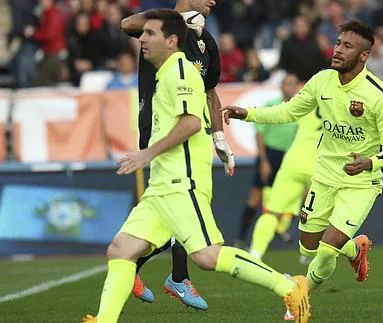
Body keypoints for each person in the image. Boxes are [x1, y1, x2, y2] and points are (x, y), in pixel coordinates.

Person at [82, 9, 310, 323]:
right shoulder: (164, 72)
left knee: (206, 256)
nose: (143, 40)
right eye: (143, 34)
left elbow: (190, 123)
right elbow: (127, 25)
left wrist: (148, 154)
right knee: (120, 250)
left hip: (182, 181)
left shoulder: (181, 72)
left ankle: (289, 287)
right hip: (161, 186)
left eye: (151, 34)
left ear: (172, 40)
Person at [223, 21, 383, 318]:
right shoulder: (322, 81)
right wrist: (248, 113)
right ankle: (355, 251)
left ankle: (299, 297)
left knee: (327, 249)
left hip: (361, 182)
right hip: (324, 176)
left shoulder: (379, 96)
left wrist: (369, 163)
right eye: (338, 43)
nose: (338, 50)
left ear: (363, 56)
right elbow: (289, 111)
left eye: (347, 46)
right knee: (309, 247)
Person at [120, 0, 235, 309]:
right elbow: (127, 24)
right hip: (162, 129)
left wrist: (220, 137)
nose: (213, 1)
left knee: (183, 205)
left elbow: (210, 92)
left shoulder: (205, 39)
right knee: (183, 204)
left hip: (193, 135)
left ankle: (139, 264)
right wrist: (175, 19)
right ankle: (176, 276)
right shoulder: (163, 30)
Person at [248, 102, 322, 261]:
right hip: (321, 166)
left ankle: (255, 253)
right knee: (321, 214)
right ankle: (311, 253)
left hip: (293, 163)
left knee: (272, 212)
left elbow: (283, 114)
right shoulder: (341, 101)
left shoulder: (309, 98)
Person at [235, 73, 299, 249]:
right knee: (255, 199)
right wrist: (263, 160)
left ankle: (282, 229)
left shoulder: (300, 109)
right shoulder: (272, 105)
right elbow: (259, 133)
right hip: (269, 155)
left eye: (293, 84)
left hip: (288, 157)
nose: (290, 87)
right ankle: (241, 238)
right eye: (287, 84)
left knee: (294, 195)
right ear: (281, 87)